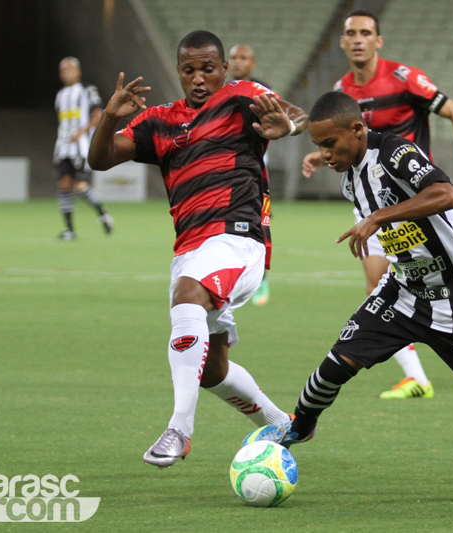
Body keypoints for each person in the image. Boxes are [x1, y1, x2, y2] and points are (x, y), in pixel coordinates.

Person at [245, 91, 453, 501]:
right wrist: (330, 163)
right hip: (403, 289)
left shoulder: (395, 153)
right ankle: (299, 425)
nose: (325, 154)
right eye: (318, 147)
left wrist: (378, 217)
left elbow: (446, 194)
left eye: (330, 144)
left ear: (357, 130)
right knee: (338, 361)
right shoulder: (351, 177)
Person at [88, 30, 308, 468]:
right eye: (190, 70)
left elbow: (295, 114)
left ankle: (179, 430)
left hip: (239, 237)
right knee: (211, 371)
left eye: (209, 68)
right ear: (179, 72)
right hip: (190, 249)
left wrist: (287, 126)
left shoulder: (242, 97)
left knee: (187, 295)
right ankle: (283, 422)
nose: (200, 78)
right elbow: (100, 158)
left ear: (224, 69)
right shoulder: (160, 121)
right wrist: (109, 117)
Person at [302, 10, 453, 399]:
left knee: (432, 275)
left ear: (378, 41)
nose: (357, 39)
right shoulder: (342, 88)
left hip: (417, 197)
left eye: (365, 33)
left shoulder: (405, 79)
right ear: (342, 41)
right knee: (377, 282)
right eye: (350, 33)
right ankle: (415, 375)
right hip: (369, 200)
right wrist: (322, 156)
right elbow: (351, 139)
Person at [229, 43, 272, 306]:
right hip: (224, 172)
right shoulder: (219, 94)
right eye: (233, 57)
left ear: (252, 63)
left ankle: (262, 276)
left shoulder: (263, 93)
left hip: (256, 174)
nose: (237, 62)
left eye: (243, 58)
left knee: (259, 224)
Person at [54, 57, 113, 240]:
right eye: (64, 70)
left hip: (81, 146)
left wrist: (82, 132)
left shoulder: (87, 90)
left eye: (71, 69)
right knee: (63, 184)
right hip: (63, 147)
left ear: (78, 72)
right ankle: (70, 230)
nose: (68, 73)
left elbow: (98, 113)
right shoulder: (60, 95)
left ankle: (102, 211)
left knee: (80, 187)